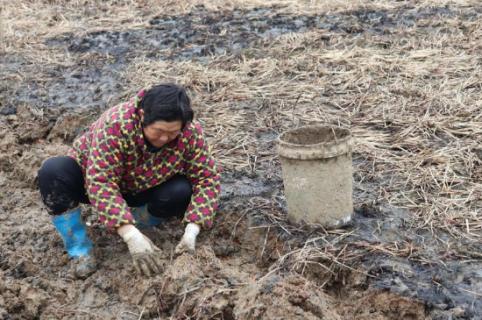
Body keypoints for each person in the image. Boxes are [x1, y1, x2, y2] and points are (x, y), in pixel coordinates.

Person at [37, 84, 221, 278]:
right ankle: (80, 249)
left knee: (181, 190)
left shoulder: (190, 133)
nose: (165, 138)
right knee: (53, 171)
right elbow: (101, 182)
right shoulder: (116, 125)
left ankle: (139, 222)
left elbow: (207, 178)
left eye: (173, 132)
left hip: (146, 187)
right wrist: (130, 235)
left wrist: (193, 229)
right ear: (142, 116)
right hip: (91, 183)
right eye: (158, 131)